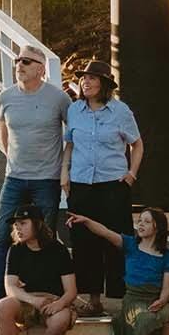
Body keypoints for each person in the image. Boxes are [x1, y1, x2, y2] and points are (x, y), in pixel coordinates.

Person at [0, 47, 70, 308]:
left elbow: (73, 135)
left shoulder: (58, 99)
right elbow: (3, 131)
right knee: (2, 232)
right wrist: (11, 159)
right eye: (17, 61)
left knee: (45, 235)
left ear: (41, 69)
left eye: (26, 61)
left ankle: (47, 289)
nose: (19, 65)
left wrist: (64, 168)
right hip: (15, 177)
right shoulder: (5, 97)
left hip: (47, 177)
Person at [60, 58, 140, 307]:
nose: (86, 82)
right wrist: (64, 173)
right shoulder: (74, 110)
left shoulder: (121, 111)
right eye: (83, 78)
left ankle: (121, 296)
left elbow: (136, 144)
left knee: (116, 239)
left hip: (112, 183)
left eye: (92, 78)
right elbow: (70, 145)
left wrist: (131, 174)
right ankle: (93, 299)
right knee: (84, 242)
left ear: (105, 84)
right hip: (81, 183)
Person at [70, 206, 169, 335]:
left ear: (157, 227)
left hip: (156, 298)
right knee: (147, 318)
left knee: (167, 317)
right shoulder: (131, 245)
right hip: (134, 299)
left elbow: (167, 287)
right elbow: (105, 232)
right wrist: (86, 221)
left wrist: (162, 300)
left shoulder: (166, 255)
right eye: (140, 221)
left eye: (146, 221)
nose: (141, 224)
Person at [0, 206, 89, 335]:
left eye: (23, 223)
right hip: (27, 299)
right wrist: (33, 300)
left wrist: (58, 304)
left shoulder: (58, 250)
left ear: (37, 225)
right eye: (16, 225)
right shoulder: (15, 250)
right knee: (2, 306)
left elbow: (71, 291)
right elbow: (10, 287)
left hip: (53, 300)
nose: (18, 229)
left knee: (62, 318)